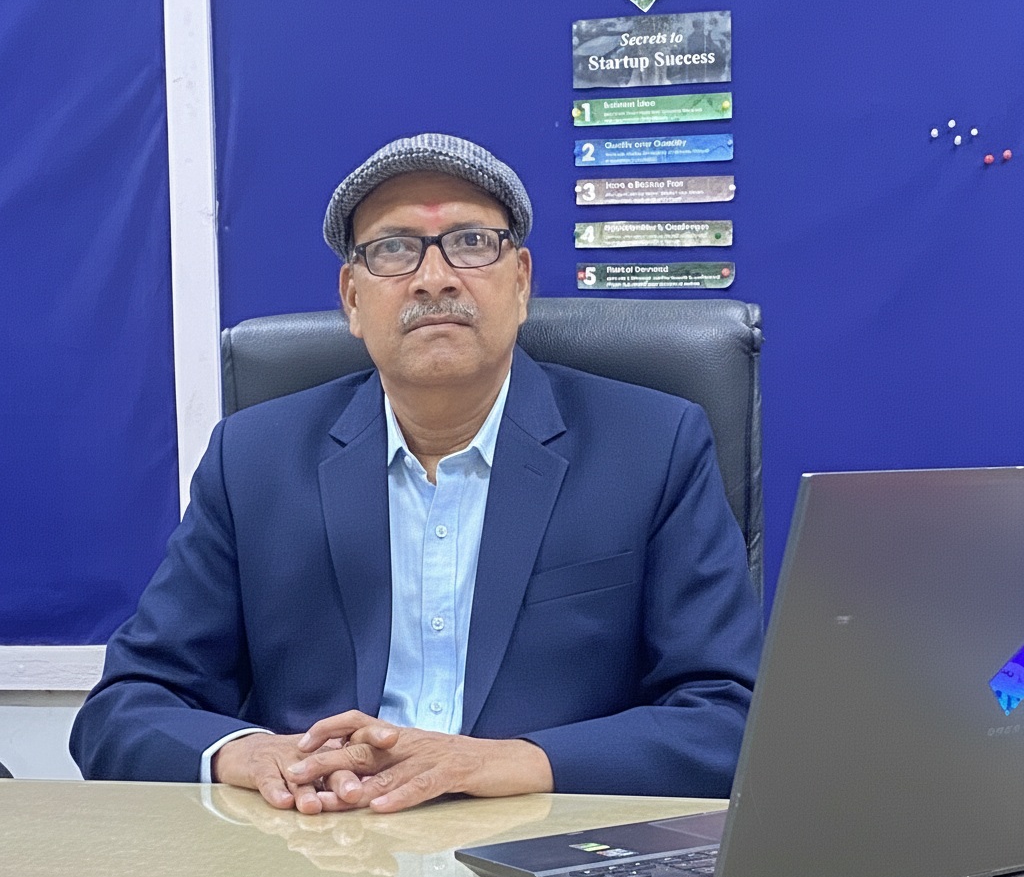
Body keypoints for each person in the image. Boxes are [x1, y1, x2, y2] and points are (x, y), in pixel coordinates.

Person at [71, 133, 762, 814]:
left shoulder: (652, 446)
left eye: (471, 242)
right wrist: (246, 753)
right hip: (319, 845)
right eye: (394, 249)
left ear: (521, 282)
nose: (435, 277)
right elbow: (126, 708)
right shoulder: (253, 461)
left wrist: (510, 762)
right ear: (351, 298)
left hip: (542, 844)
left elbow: (731, 718)